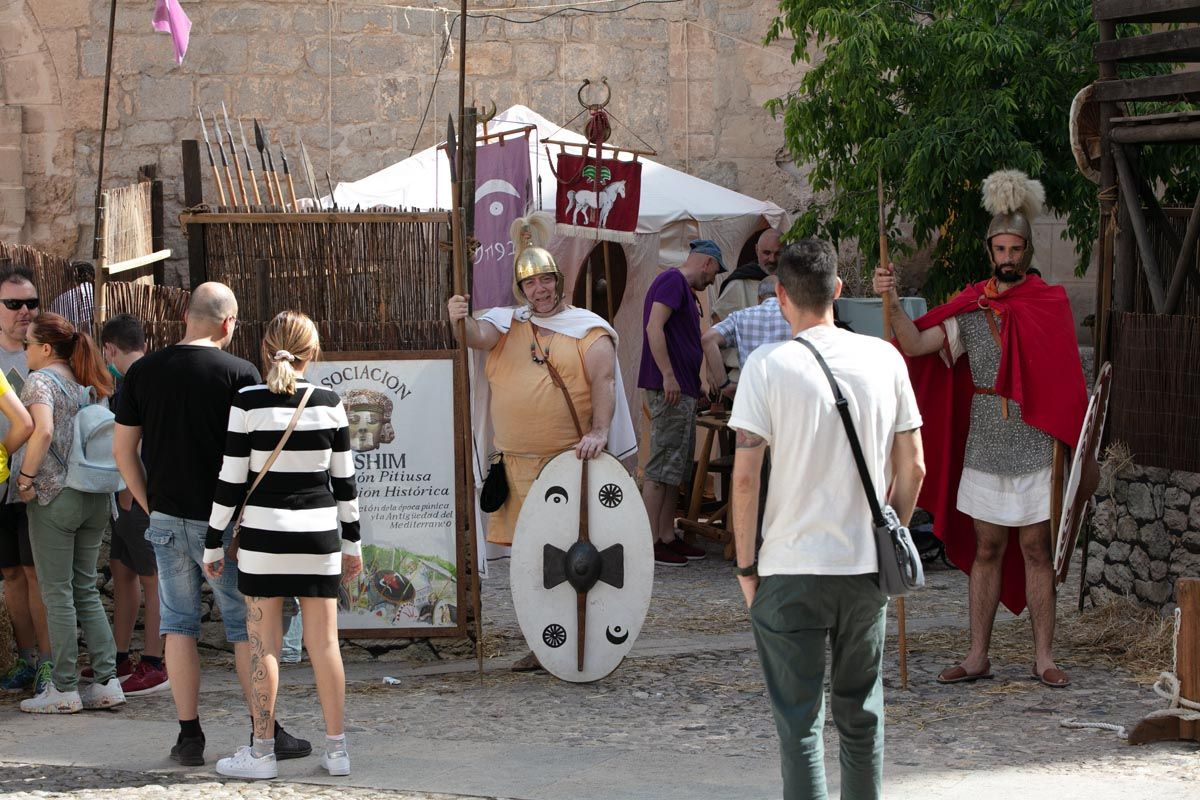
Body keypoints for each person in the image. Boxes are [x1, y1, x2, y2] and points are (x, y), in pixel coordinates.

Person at [872, 169, 1086, 688]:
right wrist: (893, 300)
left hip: (1035, 442)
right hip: (986, 442)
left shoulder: (1050, 304)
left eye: (1016, 248)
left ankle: (1043, 656)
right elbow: (918, 345)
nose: (1008, 257)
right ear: (990, 251)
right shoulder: (972, 308)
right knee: (987, 548)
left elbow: (1065, 385)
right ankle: (977, 656)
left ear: (1027, 251)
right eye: (1000, 249)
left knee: (1037, 549)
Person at [729, 239, 925, 800]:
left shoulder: (766, 365)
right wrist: (894, 533)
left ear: (781, 295)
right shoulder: (885, 358)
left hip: (789, 566)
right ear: (839, 290)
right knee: (862, 716)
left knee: (799, 725)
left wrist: (747, 568)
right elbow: (913, 467)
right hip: (864, 566)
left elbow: (744, 479)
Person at [113, 282, 310, 765]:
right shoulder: (239, 374)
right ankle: (264, 729)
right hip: (226, 527)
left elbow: (123, 451)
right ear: (228, 324)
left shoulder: (142, 372)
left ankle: (189, 737)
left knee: (177, 627)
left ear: (186, 314)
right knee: (246, 629)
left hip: (165, 518)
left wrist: (151, 502)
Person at [446, 212, 636, 670]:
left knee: (577, 558)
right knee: (531, 560)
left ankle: (587, 640)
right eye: (531, 284)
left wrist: (599, 431)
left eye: (547, 280)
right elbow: (473, 336)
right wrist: (456, 318)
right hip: (515, 466)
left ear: (559, 281)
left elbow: (604, 380)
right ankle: (544, 642)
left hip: (568, 465)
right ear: (521, 288)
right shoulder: (505, 324)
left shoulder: (587, 329)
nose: (541, 290)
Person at [203, 311, 362, 780]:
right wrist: (353, 545)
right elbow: (345, 485)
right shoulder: (331, 402)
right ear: (312, 354)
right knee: (325, 645)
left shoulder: (247, 402)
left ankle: (263, 753)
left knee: (262, 646)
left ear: (265, 347)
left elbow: (230, 481)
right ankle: (337, 753)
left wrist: (214, 543)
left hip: (263, 538)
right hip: (318, 534)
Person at [16, 313, 124, 713]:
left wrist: (25, 478)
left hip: (55, 496)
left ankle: (63, 687)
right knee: (85, 588)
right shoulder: (87, 382)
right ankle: (106, 680)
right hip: (95, 494)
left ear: (46, 348)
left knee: (57, 592)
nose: (25, 350)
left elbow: (42, 430)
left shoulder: (41, 381)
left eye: (28, 343)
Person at [638, 238, 725, 567]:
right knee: (661, 468)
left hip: (684, 390)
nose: (714, 279)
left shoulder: (687, 293)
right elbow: (653, 327)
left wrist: (697, 382)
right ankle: (648, 544)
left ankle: (666, 536)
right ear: (708, 263)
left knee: (676, 468)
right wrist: (669, 376)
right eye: (716, 272)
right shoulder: (672, 280)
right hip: (670, 390)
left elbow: (683, 340)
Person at [94, 313, 168, 695]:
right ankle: (119, 658)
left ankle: (154, 661)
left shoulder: (133, 384)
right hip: (133, 496)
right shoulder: (157, 374)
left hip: (136, 495)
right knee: (122, 569)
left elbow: (134, 444)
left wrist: (127, 492)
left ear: (109, 348)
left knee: (152, 579)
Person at [0, 266, 51, 697]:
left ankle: (49, 668)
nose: (24, 311)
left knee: (39, 575)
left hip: (38, 485)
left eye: (31, 302)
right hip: (0, 488)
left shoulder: (51, 354)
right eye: (13, 304)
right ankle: (26, 659)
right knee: (12, 575)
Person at [712, 228, 783, 386]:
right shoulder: (738, 283)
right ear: (756, 250)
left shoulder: (795, 281)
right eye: (766, 253)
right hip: (743, 378)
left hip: (784, 378)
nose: (772, 259)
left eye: (778, 253)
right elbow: (715, 324)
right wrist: (717, 374)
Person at [701, 276, 792, 398]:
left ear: (759, 298)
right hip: (788, 396)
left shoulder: (740, 317)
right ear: (784, 295)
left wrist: (724, 385)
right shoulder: (796, 317)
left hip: (752, 397)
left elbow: (708, 339)